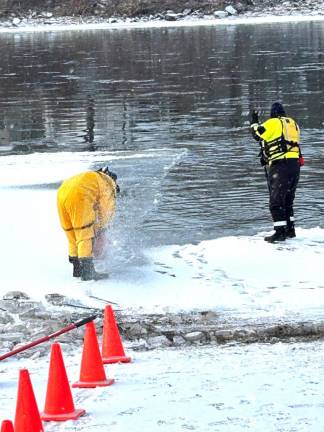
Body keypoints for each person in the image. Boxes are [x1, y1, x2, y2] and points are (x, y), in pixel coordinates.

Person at [250, 102, 303, 243]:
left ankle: (280, 232)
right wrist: (268, 156)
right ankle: (290, 230)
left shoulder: (273, 122)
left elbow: (257, 134)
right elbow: (284, 143)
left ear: (273, 113)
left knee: (275, 202)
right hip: (295, 165)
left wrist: (254, 121)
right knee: (287, 201)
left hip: (281, 166)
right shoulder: (293, 124)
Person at [57, 166, 120, 280]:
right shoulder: (108, 183)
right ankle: (87, 273)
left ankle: (77, 269)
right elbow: (106, 211)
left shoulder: (93, 177)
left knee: (72, 233)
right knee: (85, 234)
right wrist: (100, 229)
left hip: (62, 192)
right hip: (80, 195)